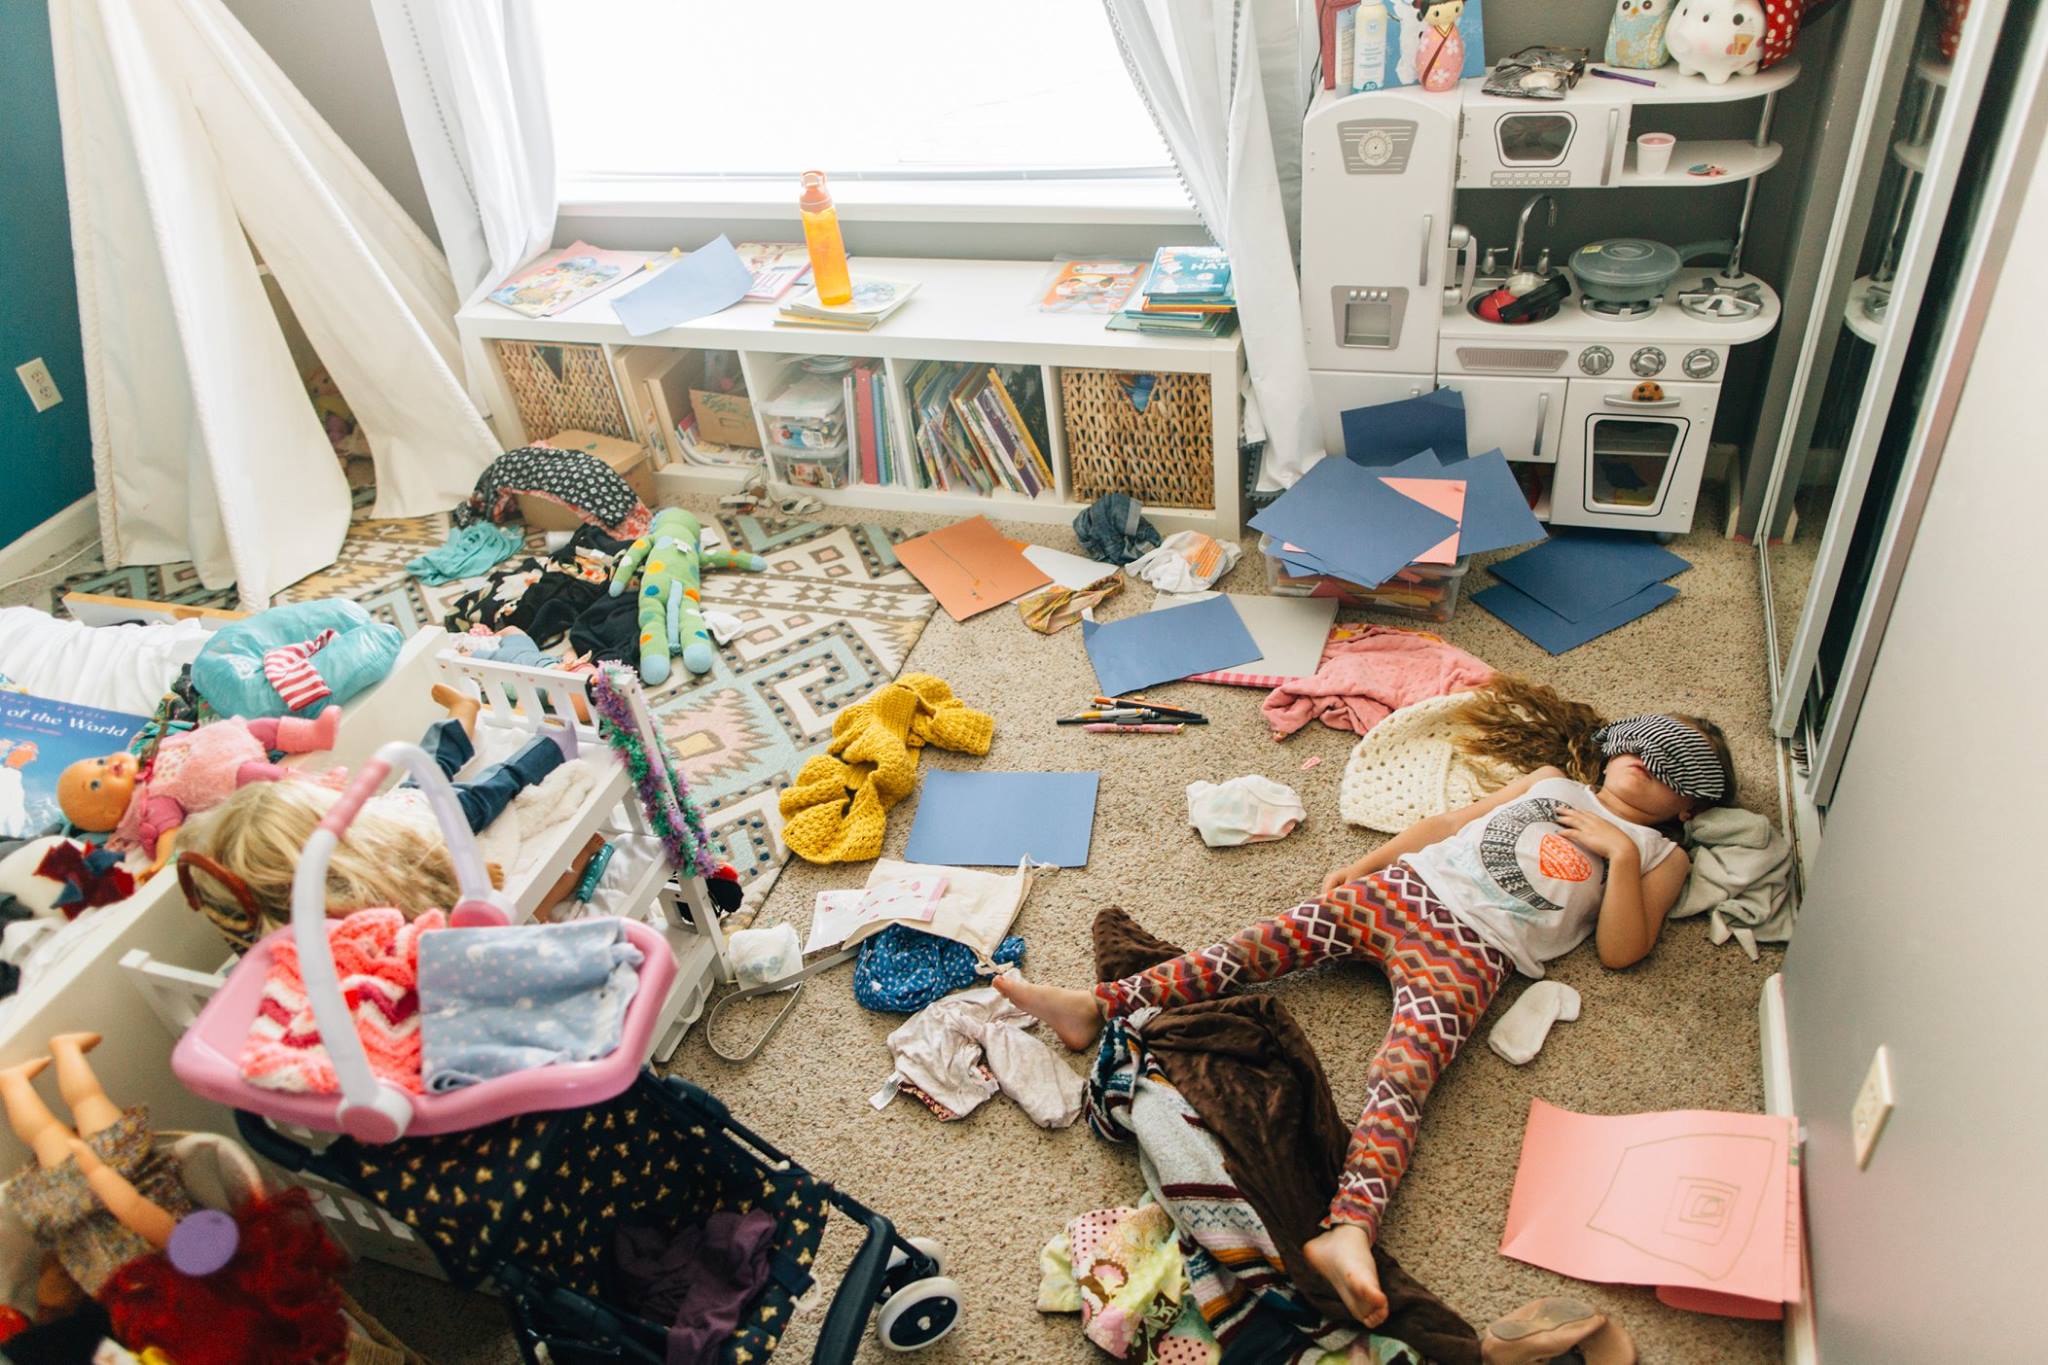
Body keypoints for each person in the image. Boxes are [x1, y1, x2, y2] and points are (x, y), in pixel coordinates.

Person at [997, 705, 1735, 1330]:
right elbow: (1451, 819)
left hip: (1478, 951)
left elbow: (1622, 952)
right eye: (1637, 742)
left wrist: (1620, 856)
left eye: (1674, 766)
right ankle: (1100, 1006)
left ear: (1690, 805)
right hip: (1408, 889)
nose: (1643, 760)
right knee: (1256, 945)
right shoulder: (1552, 782)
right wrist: (1371, 863)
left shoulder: (1658, 852)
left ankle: (1350, 1228)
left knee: (1404, 1075)